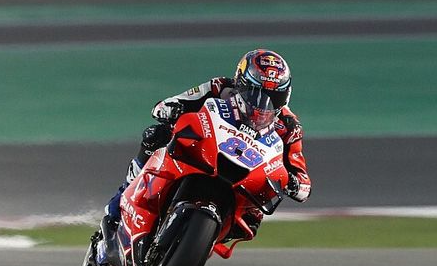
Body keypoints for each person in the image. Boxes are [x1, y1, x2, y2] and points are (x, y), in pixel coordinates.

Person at [103, 48, 311, 234]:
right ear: (241, 83)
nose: (262, 106)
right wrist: (170, 109)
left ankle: (198, 248)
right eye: (255, 94)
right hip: (205, 153)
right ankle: (117, 206)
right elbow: (169, 104)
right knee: (155, 136)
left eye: (273, 98)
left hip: (245, 180)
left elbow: (304, 184)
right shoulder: (220, 88)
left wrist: (293, 183)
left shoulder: (290, 126)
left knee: (252, 218)